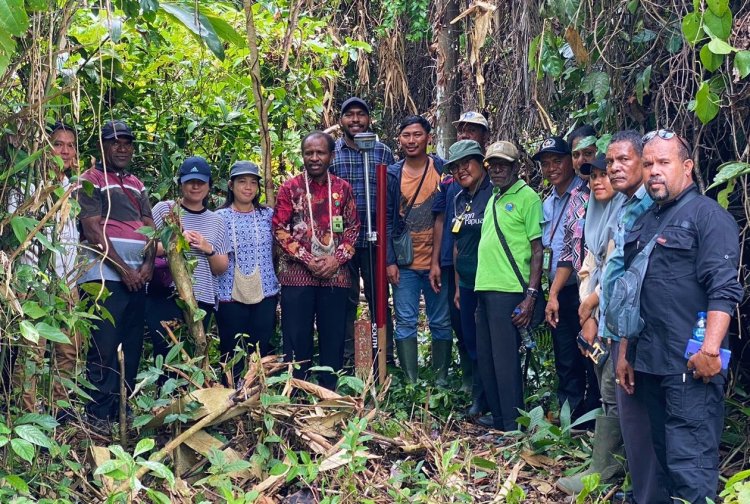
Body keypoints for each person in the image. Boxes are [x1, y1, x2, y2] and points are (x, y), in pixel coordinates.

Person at [616, 130, 742, 503]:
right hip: (650, 364)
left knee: (691, 470)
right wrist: (626, 352)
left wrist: (711, 350)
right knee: (667, 467)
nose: (655, 171)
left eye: (664, 163)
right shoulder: (647, 220)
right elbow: (633, 294)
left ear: (686, 167)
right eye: (649, 163)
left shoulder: (708, 216)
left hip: (690, 367)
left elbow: (724, 288)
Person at [597, 129, 665, 504]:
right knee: (628, 411)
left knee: (642, 414)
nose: (615, 168)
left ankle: (649, 493)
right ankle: (636, 488)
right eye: (611, 162)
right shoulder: (624, 205)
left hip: (639, 332)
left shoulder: (651, 204)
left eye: (624, 159)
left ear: (644, 161)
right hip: (619, 327)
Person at [76, 120, 155, 428]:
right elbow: (93, 230)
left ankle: (123, 410)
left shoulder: (137, 183)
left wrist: (147, 265)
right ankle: (98, 414)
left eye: (127, 142)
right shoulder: (90, 179)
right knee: (104, 346)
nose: (122, 147)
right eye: (115, 141)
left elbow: (150, 225)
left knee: (131, 346)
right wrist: (124, 269)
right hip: (103, 277)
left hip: (138, 280)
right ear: (102, 146)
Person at [556, 153, 625, 494]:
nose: (598, 181)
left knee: (613, 388)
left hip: (617, 316)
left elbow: (616, 267)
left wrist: (593, 306)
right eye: (592, 176)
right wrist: (588, 308)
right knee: (604, 384)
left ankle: (605, 473)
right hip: (595, 311)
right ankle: (604, 465)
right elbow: (590, 262)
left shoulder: (626, 212)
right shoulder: (595, 213)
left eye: (604, 175)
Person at [273, 131, 359, 390]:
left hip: (336, 275)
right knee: (296, 336)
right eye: (309, 152)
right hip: (297, 276)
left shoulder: (342, 189)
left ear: (331, 155)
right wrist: (308, 259)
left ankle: (328, 391)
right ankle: (297, 390)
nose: (314, 157)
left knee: (333, 336)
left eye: (320, 152)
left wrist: (336, 259)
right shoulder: (290, 188)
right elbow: (279, 229)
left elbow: (354, 228)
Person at [8, 122, 82, 420]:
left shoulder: (73, 188)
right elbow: (18, 234)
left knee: (68, 350)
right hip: (34, 282)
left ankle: (58, 414)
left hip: (67, 282)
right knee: (31, 354)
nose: (64, 150)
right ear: (44, 148)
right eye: (57, 143)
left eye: (69, 145)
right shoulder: (26, 186)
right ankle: (25, 415)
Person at [474, 139, 543, 431]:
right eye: (493, 164)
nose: (497, 170)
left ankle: (512, 423)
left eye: (504, 164)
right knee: (488, 357)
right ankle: (500, 417)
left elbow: (537, 249)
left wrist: (530, 296)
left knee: (505, 360)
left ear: (517, 167)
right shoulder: (492, 198)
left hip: (509, 289)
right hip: (485, 287)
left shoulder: (528, 198)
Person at [535, 136, 598, 420]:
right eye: (546, 164)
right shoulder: (547, 204)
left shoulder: (588, 193)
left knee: (590, 351)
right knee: (565, 352)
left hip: (583, 289)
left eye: (557, 161)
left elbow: (576, 250)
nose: (552, 169)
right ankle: (569, 411)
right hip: (557, 290)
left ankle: (595, 410)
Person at [386, 115, 452, 384]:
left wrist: (444, 260)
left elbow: (450, 215)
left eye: (417, 135)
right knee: (405, 321)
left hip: (437, 262)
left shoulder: (443, 169)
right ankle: (411, 380)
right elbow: (387, 218)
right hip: (405, 263)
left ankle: (441, 380)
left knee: (440, 321)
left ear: (428, 137)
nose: (411, 140)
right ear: (399, 139)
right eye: (406, 135)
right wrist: (389, 260)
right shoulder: (392, 174)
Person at [330, 97, 395, 367]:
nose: (355, 120)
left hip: (375, 238)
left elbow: (391, 195)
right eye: (349, 115)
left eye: (361, 115)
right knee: (344, 301)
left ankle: (385, 357)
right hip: (341, 242)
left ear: (369, 119)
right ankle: (347, 358)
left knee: (379, 296)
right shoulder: (331, 152)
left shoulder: (382, 152)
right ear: (341, 120)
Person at [147, 156, 229, 362]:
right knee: (166, 353)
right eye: (190, 181)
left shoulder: (217, 220)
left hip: (202, 298)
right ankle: (165, 394)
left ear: (209, 185)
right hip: (166, 295)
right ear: (180, 183)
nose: (195, 186)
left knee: (196, 353)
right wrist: (174, 241)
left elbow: (221, 268)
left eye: (201, 182)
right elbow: (146, 248)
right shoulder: (164, 210)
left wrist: (207, 248)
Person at [431, 111, 490, 392]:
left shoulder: (496, 192)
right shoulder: (455, 194)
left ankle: (493, 396)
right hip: (463, 279)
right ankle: (476, 391)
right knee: (467, 335)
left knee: (489, 340)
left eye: (467, 163)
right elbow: (451, 236)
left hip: (493, 281)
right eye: (455, 166)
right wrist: (455, 283)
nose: (461, 170)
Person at [216, 161, 279, 383]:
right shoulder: (219, 217)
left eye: (253, 183)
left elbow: (278, 247)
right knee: (231, 349)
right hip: (228, 293)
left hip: (266, 291)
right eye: (242, 182)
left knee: (260, 346)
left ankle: (258, 394)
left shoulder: (268, 215)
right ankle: (229, 395)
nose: (248, 187)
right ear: (231, 185)